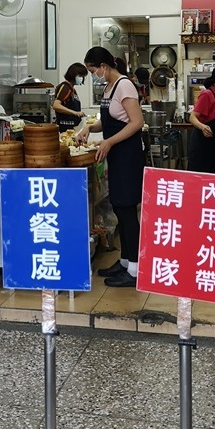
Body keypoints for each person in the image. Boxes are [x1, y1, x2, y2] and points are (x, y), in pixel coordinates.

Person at [75, 46, 145, 288]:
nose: (94, 75)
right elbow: (107, 121)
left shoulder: (124, 85)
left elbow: (137, 122)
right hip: (116, 155)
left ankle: (135, 270)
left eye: (94, 70)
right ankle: (125, 262)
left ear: (104, 67)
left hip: (128, 155)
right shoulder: (108, 88)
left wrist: (110, 141)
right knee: (118, 207)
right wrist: (88, 128)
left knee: (127, 210)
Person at [52, 62, 89, 132]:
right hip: (65, 128)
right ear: (73, 74)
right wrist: (75, 113)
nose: (82, 78)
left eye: (83, 76)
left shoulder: (72, 89)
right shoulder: (65, 87)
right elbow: (56, 105)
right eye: (80, 76)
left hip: (73, 127)